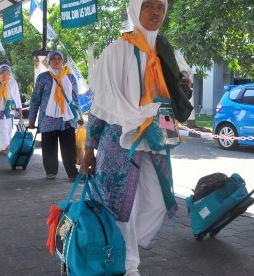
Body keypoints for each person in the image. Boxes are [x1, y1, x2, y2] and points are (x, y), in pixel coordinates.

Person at [80, 1, 187, 275]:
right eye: (148, 6)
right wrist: (89, 147)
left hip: (157, 136)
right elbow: (100, 105)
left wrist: (181, 84)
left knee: (159, 202)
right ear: (134, 9)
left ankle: (118, 245)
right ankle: (128, 264)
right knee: (124, 205)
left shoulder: (166, 53)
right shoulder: (116, 52)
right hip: (119, 140)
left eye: (161, 7)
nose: (155, 13)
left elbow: (177, 94)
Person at [28, 50, 82, 181]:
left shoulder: (70, 77)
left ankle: (72, 173)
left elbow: (75, 98)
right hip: (48, 119)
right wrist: (32, 118)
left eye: (59, 58)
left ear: (62, 61)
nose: (57, 60)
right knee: (49, 147)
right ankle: (51, 171)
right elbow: (35, 98)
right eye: (54, 58)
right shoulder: (43, 77)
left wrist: (79, 116)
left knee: (69, 148)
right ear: (49, 61)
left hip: (67, 119)